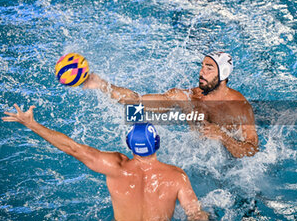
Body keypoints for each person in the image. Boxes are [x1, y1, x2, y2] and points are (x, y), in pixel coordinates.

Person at [2, 104, 209, 221]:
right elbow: (196, 216)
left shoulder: (115, 166)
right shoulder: (176, 176)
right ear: (157, 143)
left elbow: (72, 148)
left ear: (129, 144)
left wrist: (31, 123)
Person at [83, 52, 259, 158]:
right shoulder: (185, 97)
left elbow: (252, 150)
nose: (201, 72)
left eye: (209, 68)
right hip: (198, 156)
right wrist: (102, 85)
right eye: (202, 66)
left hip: (233, 165)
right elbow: (137, 100)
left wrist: (222, 136)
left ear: (223, 74)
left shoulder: (240, 107)